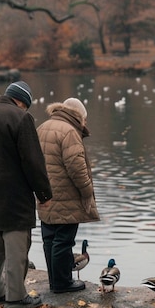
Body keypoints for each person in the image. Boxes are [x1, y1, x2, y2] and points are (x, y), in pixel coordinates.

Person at [0, 81, 53, 308]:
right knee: (17, 246)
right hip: (13, 196)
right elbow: (33, 161)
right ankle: (16, 297)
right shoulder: (20, 118)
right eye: (26, 106)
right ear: (21, 102)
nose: (25, 111)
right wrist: (44, 193)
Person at [36, 98, 100, 294]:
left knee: (49, 238)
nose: (85, 123)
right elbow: (77, 168)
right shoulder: (69, 132)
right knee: (64, 240)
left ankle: (54, 281)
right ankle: (63, 283)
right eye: (85, 119)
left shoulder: (43, 127)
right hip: (66, 196)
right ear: (77, 115)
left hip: (45, 194)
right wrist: (88, 192)